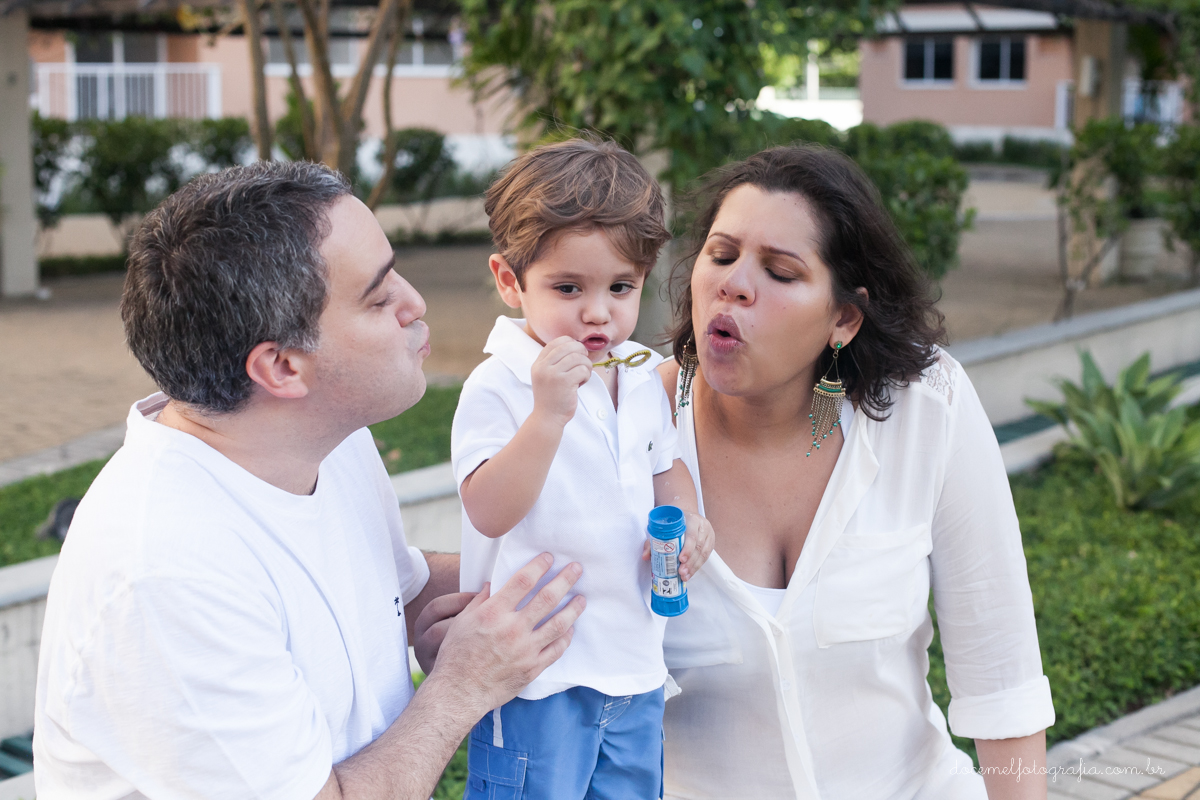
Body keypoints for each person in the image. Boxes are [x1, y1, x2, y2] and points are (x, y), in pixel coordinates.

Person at [33, 161, 586, 800]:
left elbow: (390, 587)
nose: (416, 304)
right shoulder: (166, 572)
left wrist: (586, 571)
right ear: (283, 366)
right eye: (379, 297)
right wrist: (465, 684)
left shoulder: (322, 437)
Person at [654, 146, 1055, 799]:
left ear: (843, 318)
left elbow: (1002, 677)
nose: (733, 284)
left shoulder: (927, 409)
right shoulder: (626, 425)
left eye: (780, 272)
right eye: (721, 256)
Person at [451, 138, 714, 799]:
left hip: (632, 662)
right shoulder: (501, 384)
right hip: (536, 670)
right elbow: (487, 509)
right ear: (510, 281)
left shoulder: (640, 375)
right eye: (568, 288)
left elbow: (666, 470)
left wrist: (687, 521)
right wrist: (546, 416)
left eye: (620, 287)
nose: (598, 312)